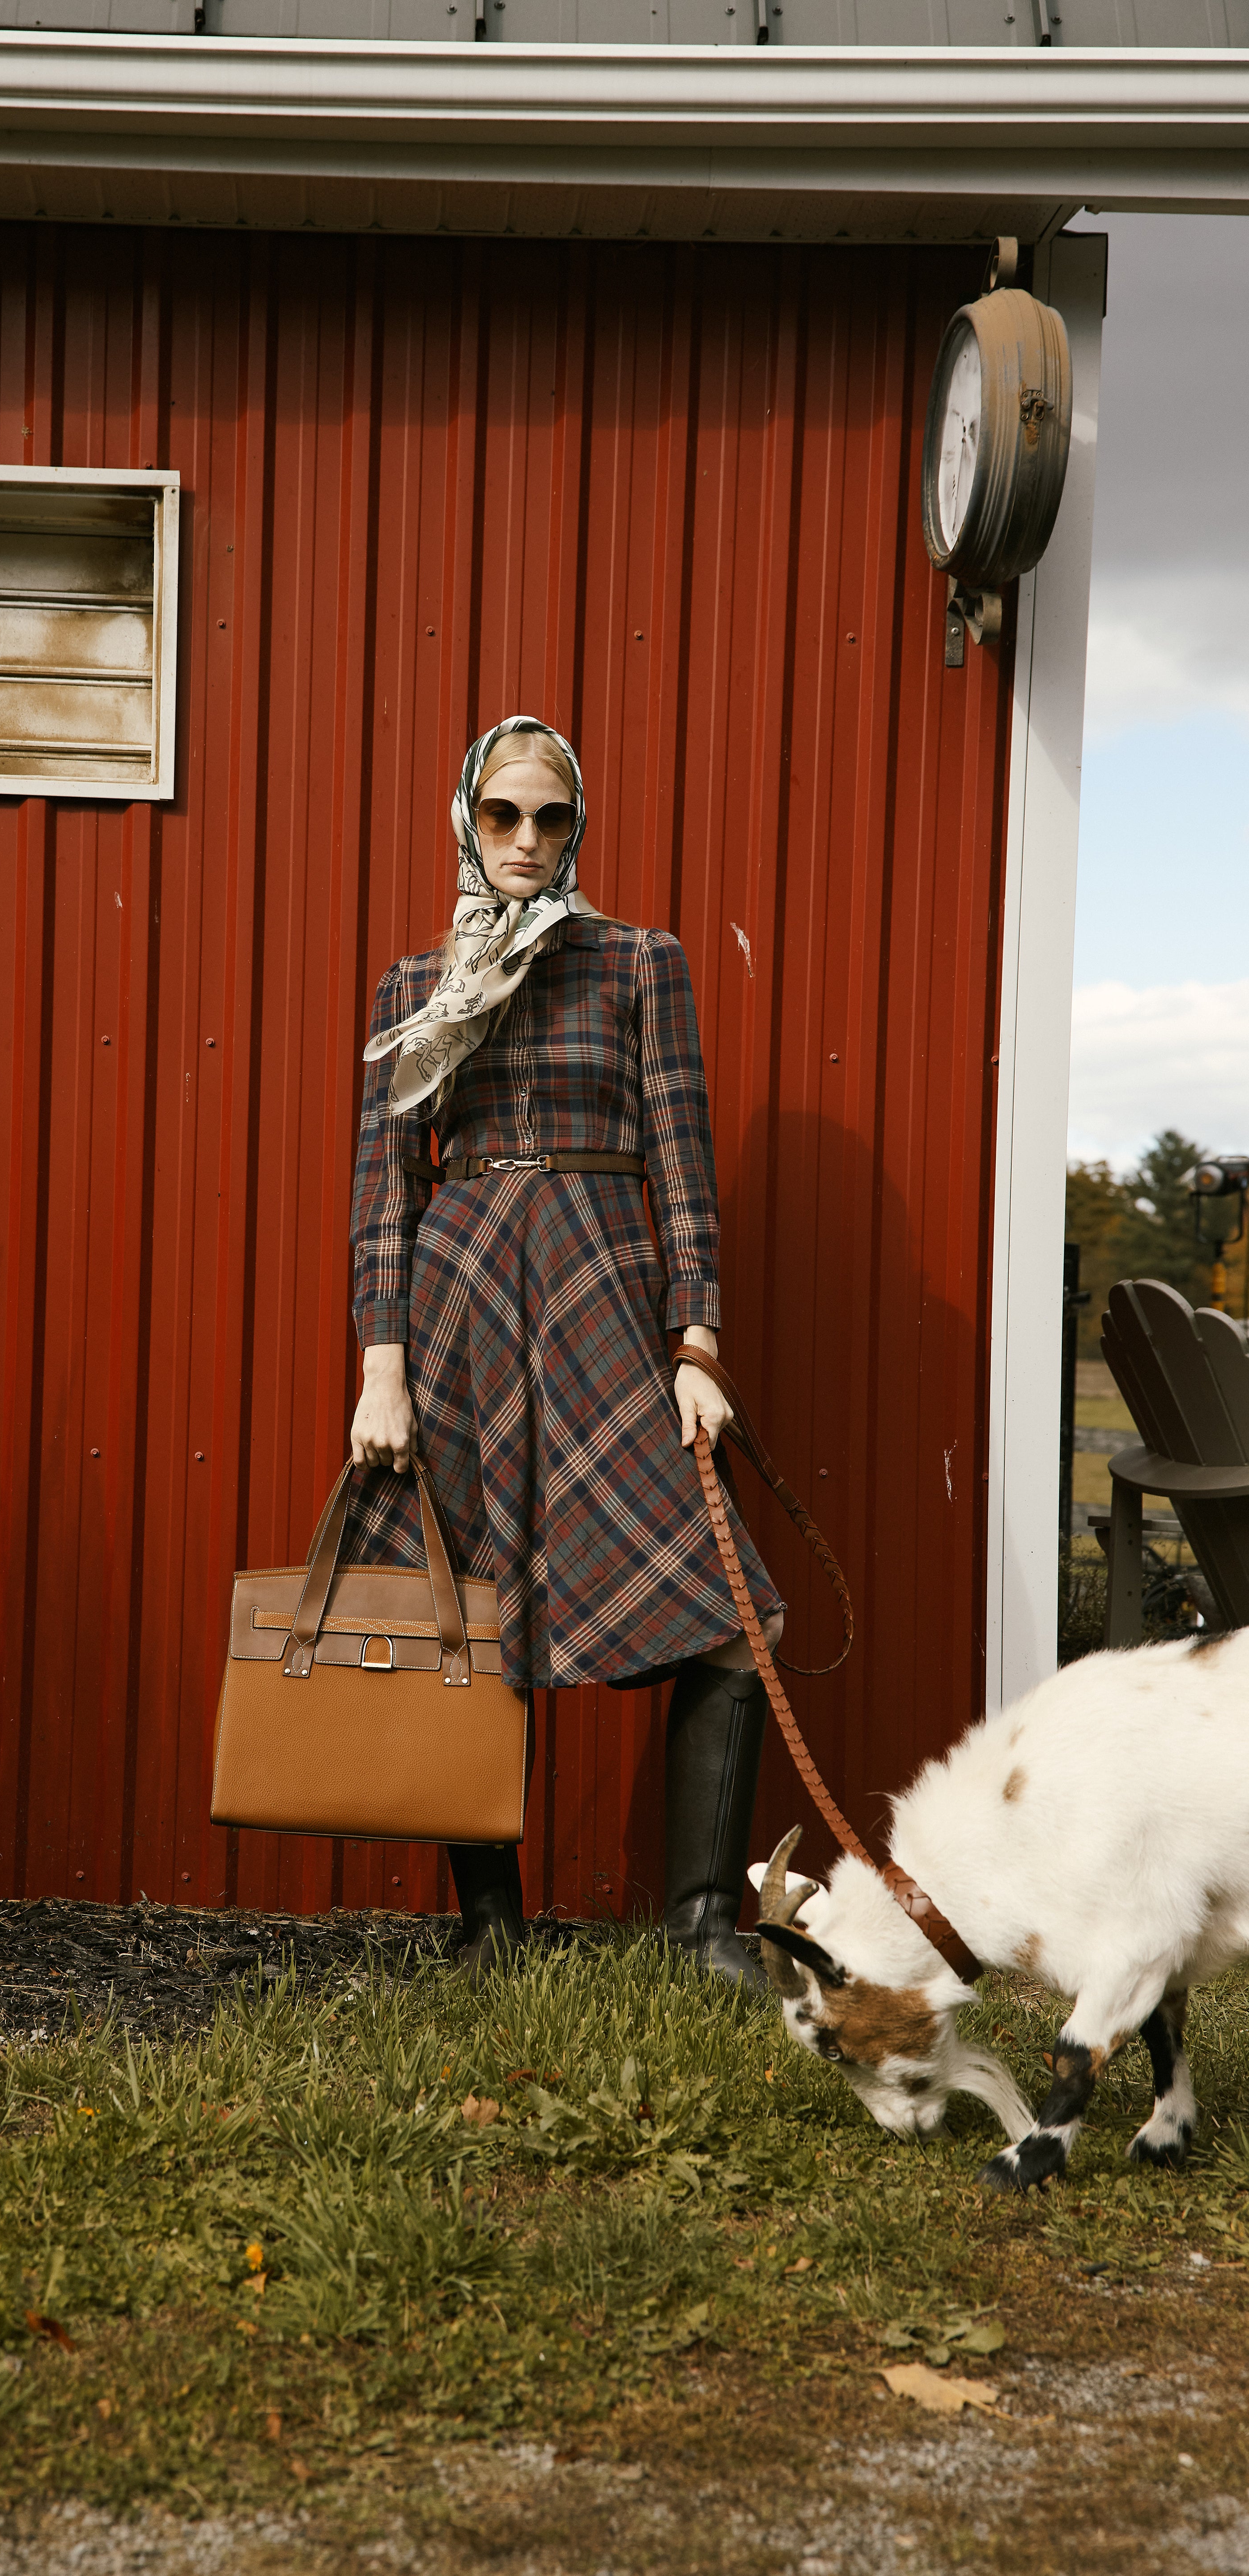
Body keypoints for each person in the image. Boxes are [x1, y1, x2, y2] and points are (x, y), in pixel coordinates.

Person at [347, 714, 785, 1985]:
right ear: (466, 821)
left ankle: (701, 1929)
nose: (526, 839)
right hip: (459, 1309)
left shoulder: (639, 962)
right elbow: (384, 1191)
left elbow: (682, 1160)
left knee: (733, 1613)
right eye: (503, 814)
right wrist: (382, 1367)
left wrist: (696, 1344)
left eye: (551, 817)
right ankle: (491, 1929)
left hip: (603, 1293)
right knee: (470, 1616)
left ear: (577, 826)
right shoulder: (412, 989)